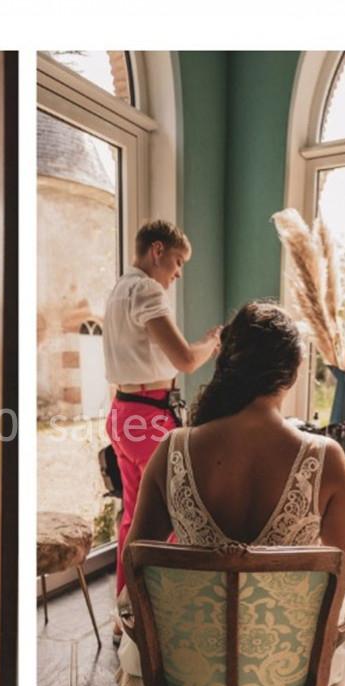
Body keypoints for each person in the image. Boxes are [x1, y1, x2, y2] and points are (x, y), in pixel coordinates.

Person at [115, 300, 345, 686]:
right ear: (290, 373)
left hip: (187, 671)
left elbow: (133, 559)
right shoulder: (324, 457)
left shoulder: (173, 449)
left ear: (228, 365)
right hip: (288, 678)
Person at [103, 220, 220, 642]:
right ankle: (162, 618)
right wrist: (213, 342)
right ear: (157, 250)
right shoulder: (148, 291)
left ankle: (125, 613)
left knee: (133, 518)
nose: (178, 272)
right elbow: (186, 359)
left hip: (123, 414)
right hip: (150, 418)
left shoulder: (118, 290)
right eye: (177, 261)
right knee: (176, 513)